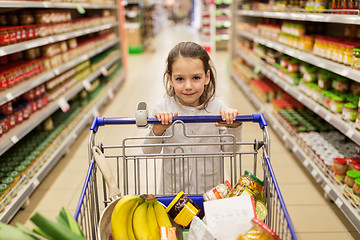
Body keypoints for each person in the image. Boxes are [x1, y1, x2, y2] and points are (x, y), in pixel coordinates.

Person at [142, 41, 242, 194]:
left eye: (196, 78)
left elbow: (230, 149)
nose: (188, 86)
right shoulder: (163, 109)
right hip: (173, 195)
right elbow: (149, 151)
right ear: (170, 79)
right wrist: (158, 129)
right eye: (180, 79)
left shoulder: (217, 108)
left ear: (207, 77)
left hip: (209, 194)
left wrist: (233, 126)